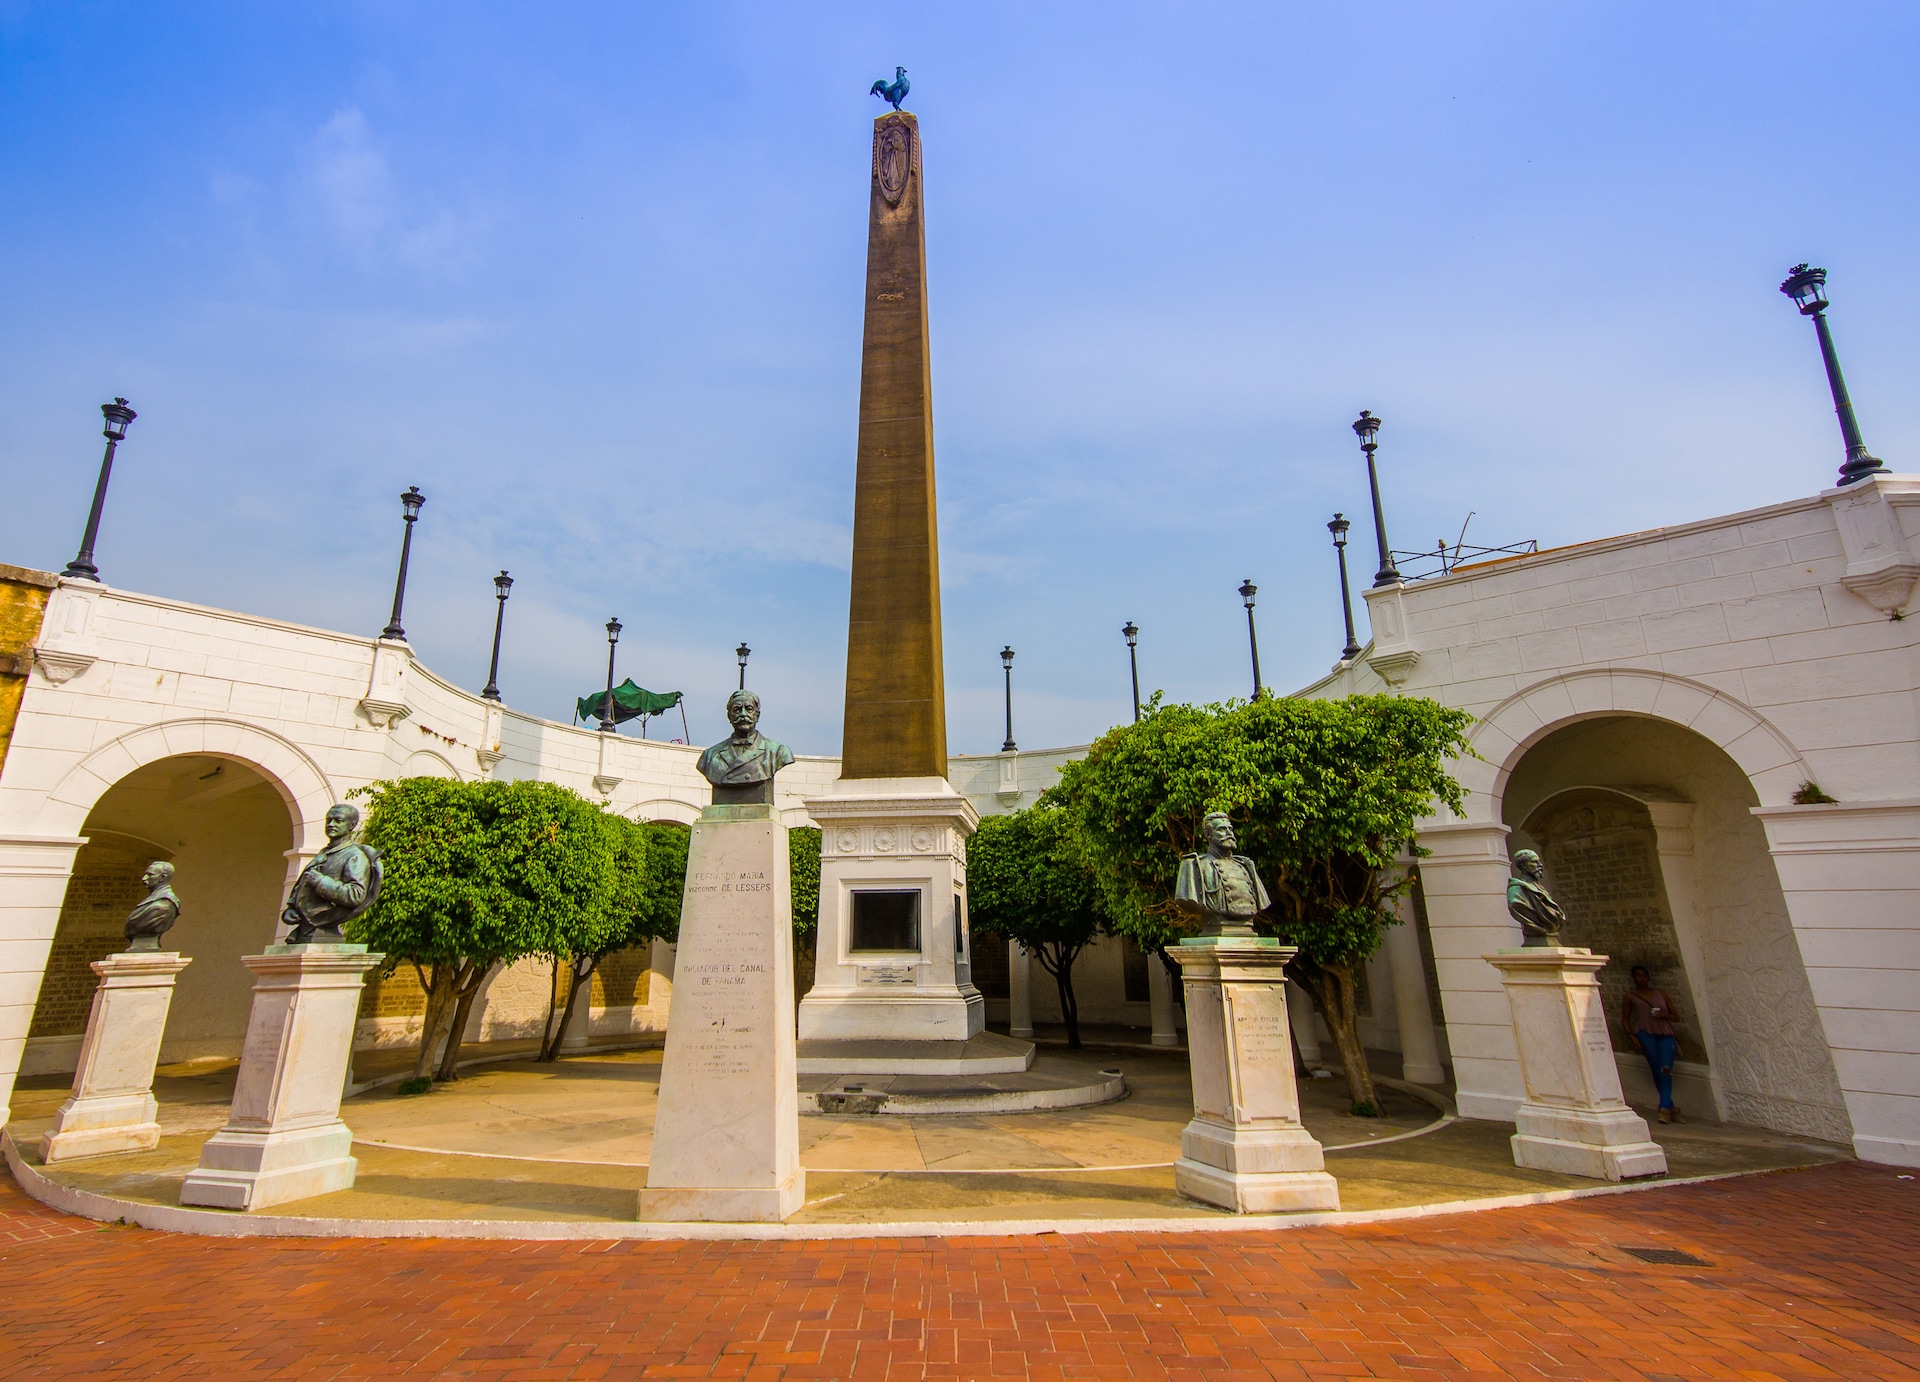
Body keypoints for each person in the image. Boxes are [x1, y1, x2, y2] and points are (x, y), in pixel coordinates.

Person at [1173, 812, 1271, 939]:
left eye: (1230, 829)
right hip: (1215, 926)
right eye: (1222, 829)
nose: (1229, 833)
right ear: (1208, 834)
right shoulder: (1193, 866)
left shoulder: (1246, 865)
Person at [696, 690, 794, 805]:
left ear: (757, 715)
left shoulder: (777, 752)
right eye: (737, 710)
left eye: (749, 709)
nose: (743, 714)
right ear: (729, 716)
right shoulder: (710, 755)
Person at [1623, 964, 1684, 1123]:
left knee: (1665, 1069)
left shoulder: (1661, 994)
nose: (1641, 978)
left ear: (1648, 977)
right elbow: (1625, 1019)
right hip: (1645, 1033)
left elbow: (1676, 1016)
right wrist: (1632, 1036)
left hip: (1665, 1033)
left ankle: (1664, 1107)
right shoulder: (1631, 996)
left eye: (1644, 975)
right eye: (1638, 975)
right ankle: (1670, 1107)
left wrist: (1664, 1014)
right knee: (1656, 1068)